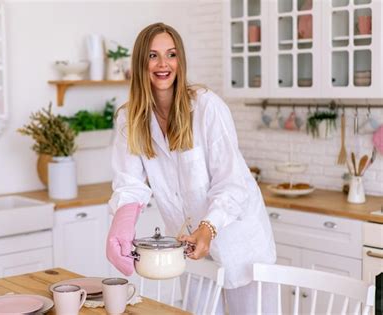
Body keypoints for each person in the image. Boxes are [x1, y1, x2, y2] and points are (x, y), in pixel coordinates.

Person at [106, 22, 277, 314]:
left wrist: (208, 227)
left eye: (171, 54)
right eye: (152, 56)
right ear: (140, 62)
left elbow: (231, 183)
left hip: (240, 242)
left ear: (180, 61)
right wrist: (121, 223)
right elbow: (129, 183)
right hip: (188, 250)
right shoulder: (129, 119)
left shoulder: (207, 108)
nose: (163, 64)